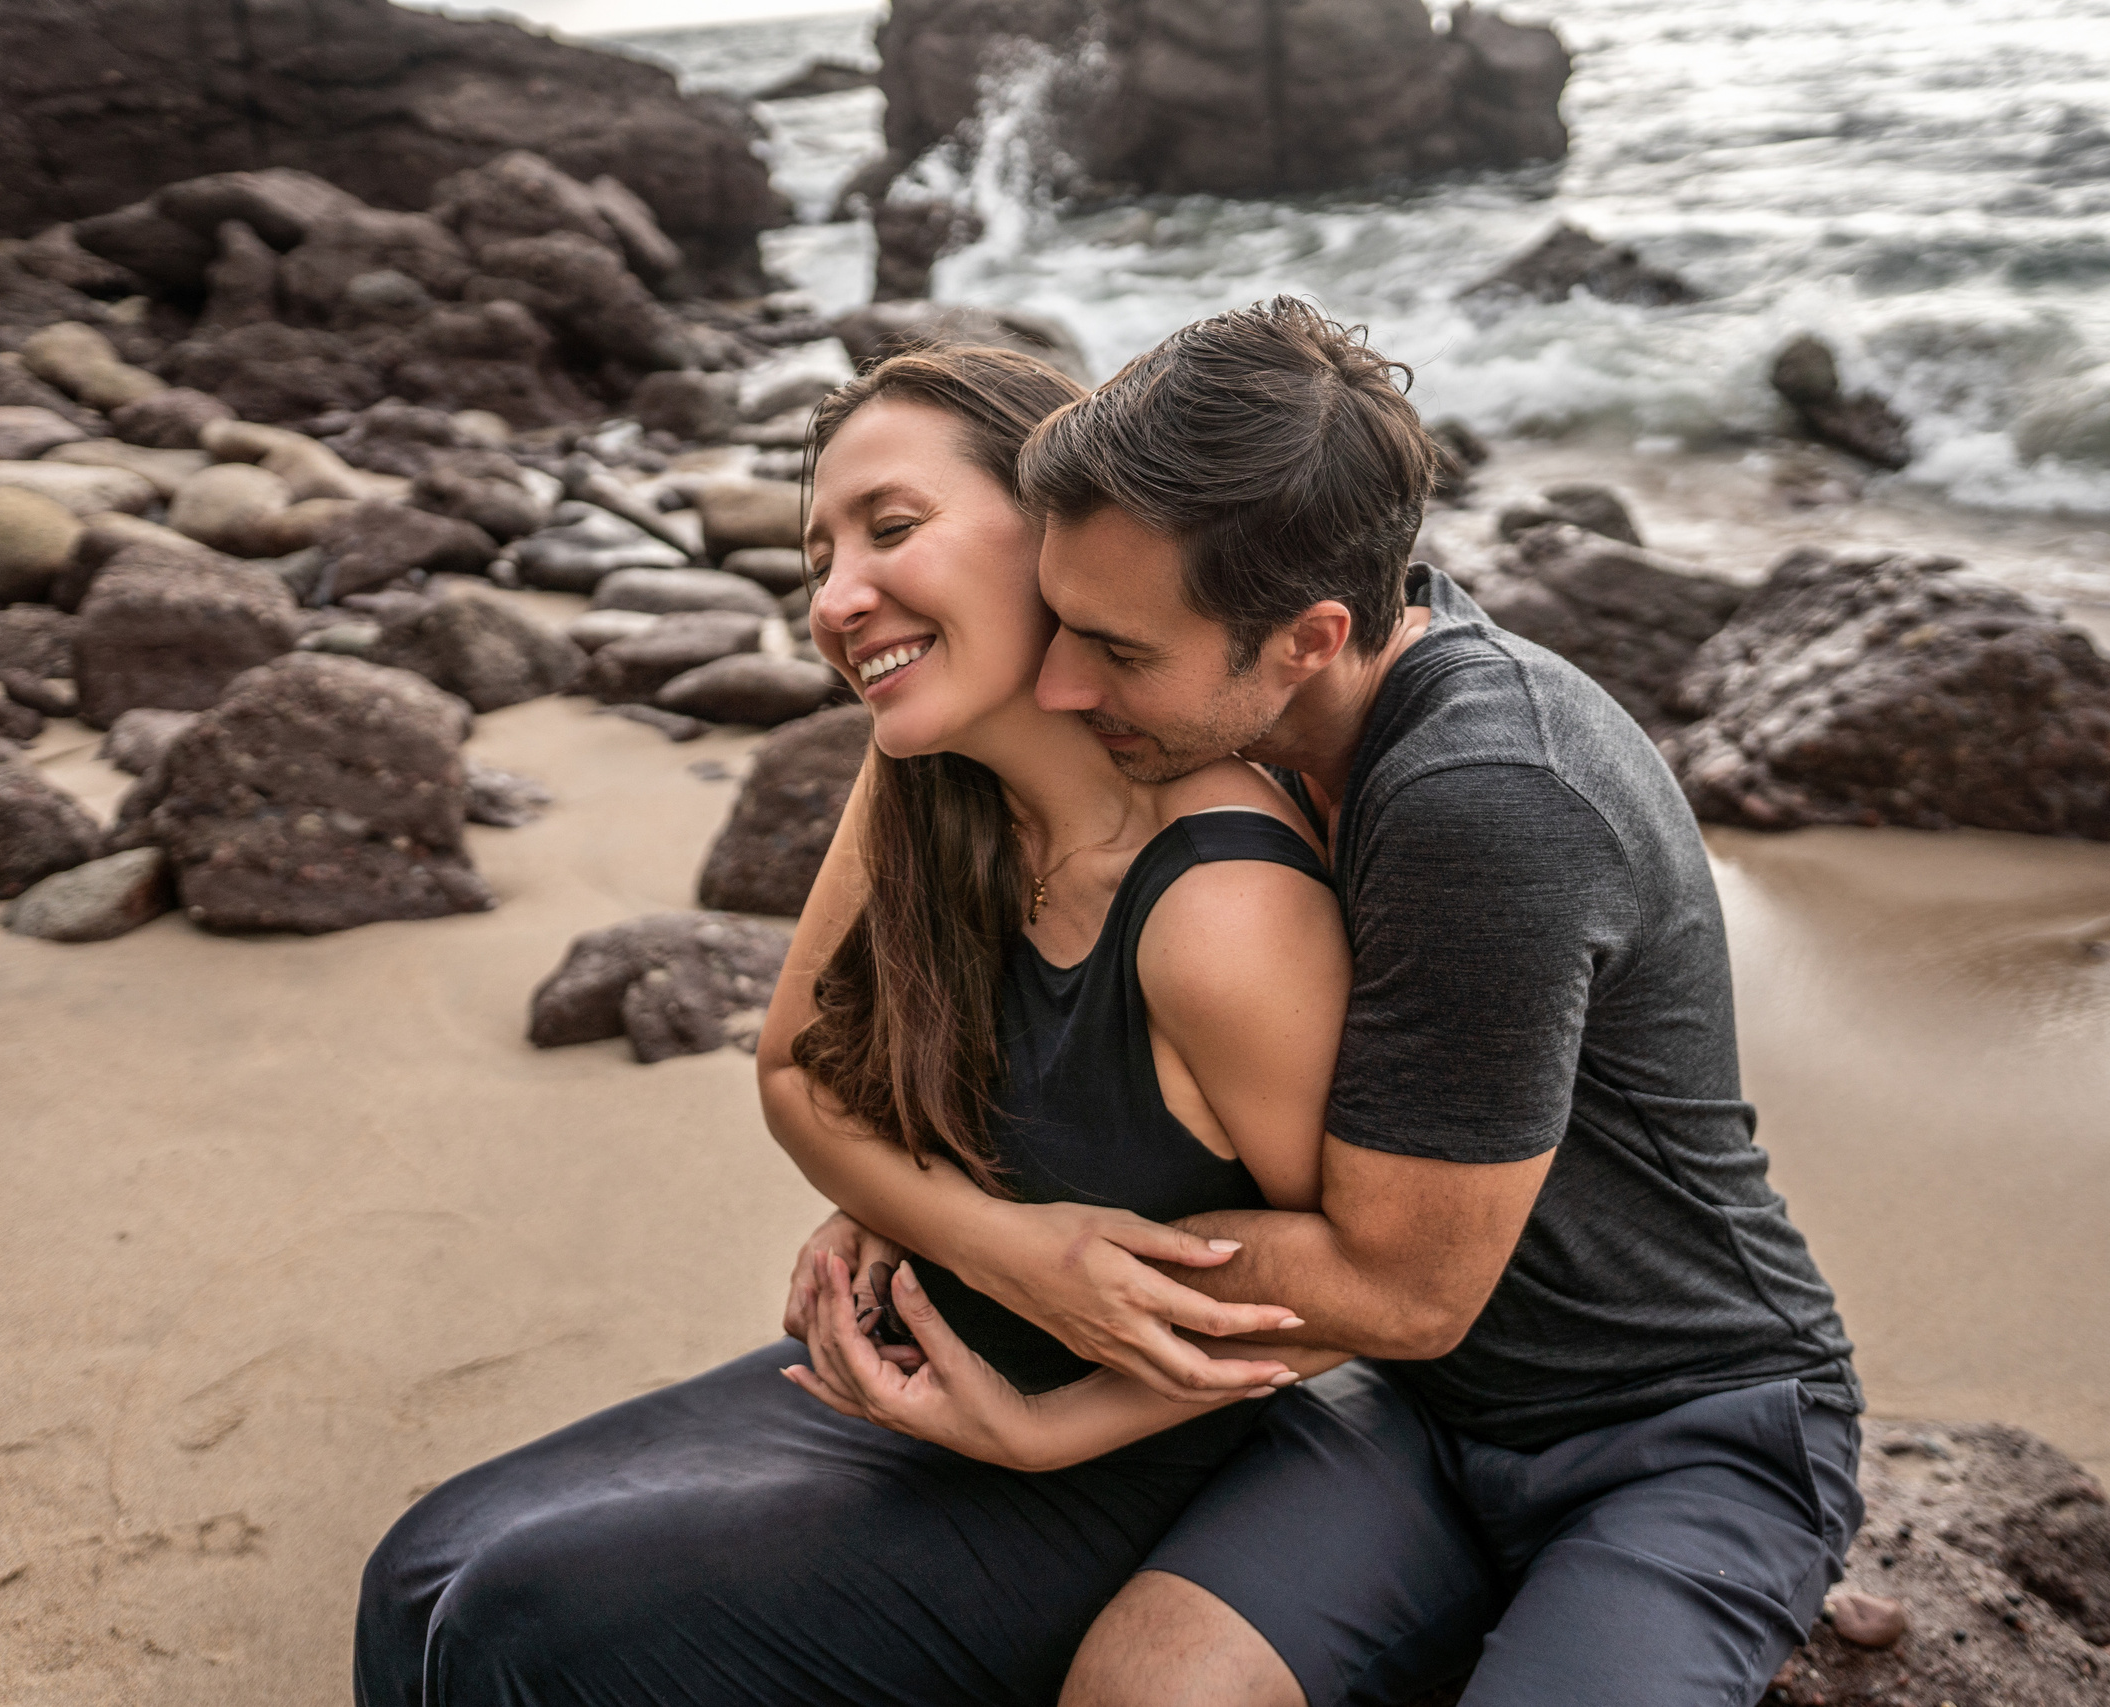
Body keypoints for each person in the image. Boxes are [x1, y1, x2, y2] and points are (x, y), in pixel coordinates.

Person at [773, 299, 1865, 1707]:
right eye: (1063, 621)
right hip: (1414, 1413)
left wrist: (1008, 1241)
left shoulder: (1490, 799)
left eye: (1113, 648)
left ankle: (1765, 1556)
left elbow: (1399, 1290)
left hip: (1678, 1425)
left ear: (1306, 638)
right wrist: (950, 1187)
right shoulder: (1278, 694)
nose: (1058, 679)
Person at [352, 343, 1360, 1707]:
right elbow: (793, 1076)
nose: (837, 600)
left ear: (1066, 533)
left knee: (517, 1627)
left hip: (1135, 1455)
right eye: (819, 556)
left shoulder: (1221, 909)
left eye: (892, 530)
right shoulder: (923, 782)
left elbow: (1349, 1296)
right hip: (920, 1352)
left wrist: (1044, 1429)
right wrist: (998, 1238)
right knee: (420, 1570)